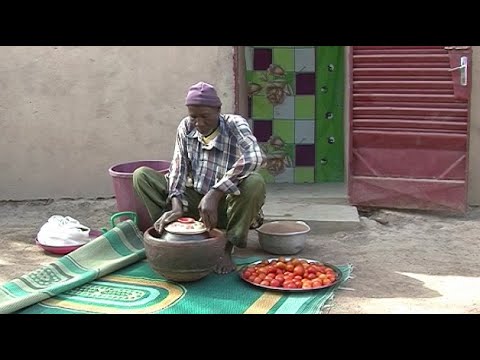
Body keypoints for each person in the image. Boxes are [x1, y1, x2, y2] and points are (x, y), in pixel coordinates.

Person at [133, 81, 266, 274]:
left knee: (254, 182)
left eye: (205, 116)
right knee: (142, 176)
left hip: (228, 205)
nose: (199, 123)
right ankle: (174, 234)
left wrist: (216, 191)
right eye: (193, 116)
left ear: (218, 110)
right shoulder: (186, 127)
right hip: (196, 204)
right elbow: (178, 167)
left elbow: (256, 156)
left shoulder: (234, 124)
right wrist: (177, 204)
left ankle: (226, 247)